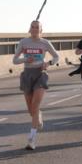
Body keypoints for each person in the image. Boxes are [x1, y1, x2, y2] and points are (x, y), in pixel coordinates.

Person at [13, 20, 61, 150]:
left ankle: (32, 139)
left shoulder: (45, 43)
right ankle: (38, 115)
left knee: (35, 105)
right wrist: (25, 59)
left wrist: (49, 63)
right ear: (29, 29)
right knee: (31, 110)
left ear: (41, 30)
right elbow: (15, 60)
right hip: (27, 74)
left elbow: (57, 57)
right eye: (32, 27)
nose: (34, 29)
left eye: (37, 27)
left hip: (40, 74)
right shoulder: (24, 42)